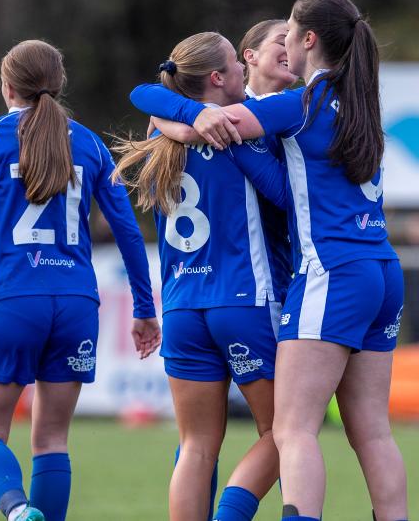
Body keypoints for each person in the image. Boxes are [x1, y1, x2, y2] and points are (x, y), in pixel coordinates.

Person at [130, 0, 408, 521]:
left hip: (200, 296)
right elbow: (278, 184)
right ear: (234, 67)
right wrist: (199, 120)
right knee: (340, 431)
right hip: (347, 271)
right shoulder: (354, 102)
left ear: (310, 41)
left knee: (246, 437)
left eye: (289, 34)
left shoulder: (290, 109)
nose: (284, 45)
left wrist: (183, 120)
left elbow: (151, 98)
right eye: (270, 42)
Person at [0, 40, 159, 521]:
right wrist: (145, 308)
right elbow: (127, 230)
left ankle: (18, 510)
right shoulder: (91, 144)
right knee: (53, 439)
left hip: (14, 300)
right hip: (77, 305)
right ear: (59, 85)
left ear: (7, 86)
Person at [113, 28, 294, 521]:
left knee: (195, 446)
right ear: (217, 78)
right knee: (285, 433)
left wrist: (183, 118)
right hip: (244, 299)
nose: (241, 68)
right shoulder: (244, 128)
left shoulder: (160, 131)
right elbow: (285, 198)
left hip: (183, 306)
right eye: (235, 62)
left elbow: (147, 97)